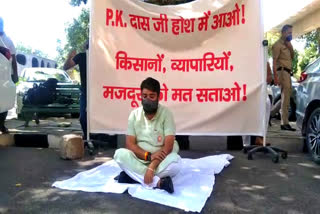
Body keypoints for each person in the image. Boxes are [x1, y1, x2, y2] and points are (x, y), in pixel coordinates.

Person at [114, 77, 182, 194]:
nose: (147, 100)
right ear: (141, 96)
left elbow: (168, 145)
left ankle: (132, 177)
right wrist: (149, 156)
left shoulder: (166, 114)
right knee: (119, 154)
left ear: (158, 97)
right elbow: (130, 144)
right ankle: (158, 182)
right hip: (139, 158)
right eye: (144, 96)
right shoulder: (134, 115)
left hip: (160, 161)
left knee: (175, 161)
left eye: (151, 96)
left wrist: (151, 167)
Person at [272, 24, 296, 131]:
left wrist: (290, 47)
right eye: (289, 32)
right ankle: (284, 123)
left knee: (285, 97)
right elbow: (274, 61)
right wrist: (275, 77)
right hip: (282, 72)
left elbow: (292, 57)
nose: (290, 34)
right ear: (283, 32)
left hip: (288, 72)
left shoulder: (288, 44)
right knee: (285, 97)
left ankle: (270, 114)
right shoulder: (277, 45)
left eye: (291, 32)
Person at [243, 62, 272, 146]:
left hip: (260, 89)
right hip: (246, 88)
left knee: (266, 103)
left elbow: (269, 79)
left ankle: (260, 137)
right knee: (246, 108)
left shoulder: (264, 60)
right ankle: (246, 144)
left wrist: (267, 71)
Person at [63, 41, 88, 140]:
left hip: (99, 92)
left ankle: (95, 137)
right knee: (83, 118)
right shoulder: (81, 56)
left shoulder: (101, 56)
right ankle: (87, 137)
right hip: (85, 92)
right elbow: (66, 67)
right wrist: (70, 57)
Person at [0, 17, 18, 134]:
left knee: (5, 101)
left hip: (6, 76)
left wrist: (15, 74)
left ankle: (1, 124)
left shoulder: (8, 40)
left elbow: (14, 60)